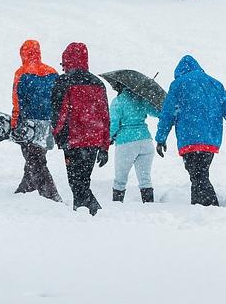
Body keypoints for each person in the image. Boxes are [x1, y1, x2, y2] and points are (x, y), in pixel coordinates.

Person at [154, 55, 226, 206]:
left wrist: (160, 138)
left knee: (198, 176)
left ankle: (210, 208)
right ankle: (200, 208)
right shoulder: (215, 84)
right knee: (199, 175)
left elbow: (168, 114)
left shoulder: (177, 85)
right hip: (210, 140)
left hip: (189, 139)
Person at [51, 42, 110, 216]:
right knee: (83, 181)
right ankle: (85, 214)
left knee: (77, 183)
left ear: (67, 60)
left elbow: (59, 113)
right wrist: (104, 146)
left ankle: (91, 214)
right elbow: (105, 116)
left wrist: (57, 135)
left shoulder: (63, 82)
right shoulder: (98, 83)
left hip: (73, 140)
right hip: (93, 140)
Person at [11, 39, 62, 202]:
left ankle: (51, 195)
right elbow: (59, 99)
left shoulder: (21, 73)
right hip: (48, 123)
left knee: (35, 160)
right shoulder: (53, 72)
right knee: (36, 156)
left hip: (30, 123)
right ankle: (25, 188)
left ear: (23, 54)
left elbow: (17, 101)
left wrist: (14, 123)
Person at [109, 85, 159, 203]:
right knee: (145, 179)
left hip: (126, 143)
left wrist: (109, 137)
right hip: (145, 140)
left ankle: (117, 206)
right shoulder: (141, 98)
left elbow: (114, 124)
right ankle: (149, 206)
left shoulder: (118, 101)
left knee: (120, 180)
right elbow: (157, 112)